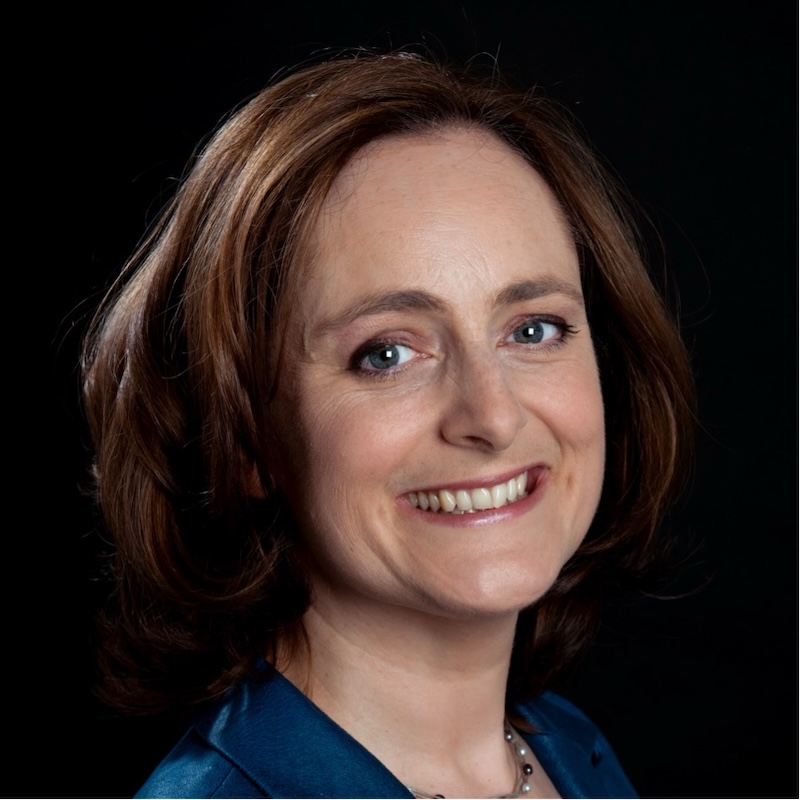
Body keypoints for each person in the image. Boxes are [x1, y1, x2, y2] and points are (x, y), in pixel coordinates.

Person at [82, 50, 694, 798]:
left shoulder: (569, 750)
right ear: (244, 436)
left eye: (533, 330)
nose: (494, 417)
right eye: (387, 353)